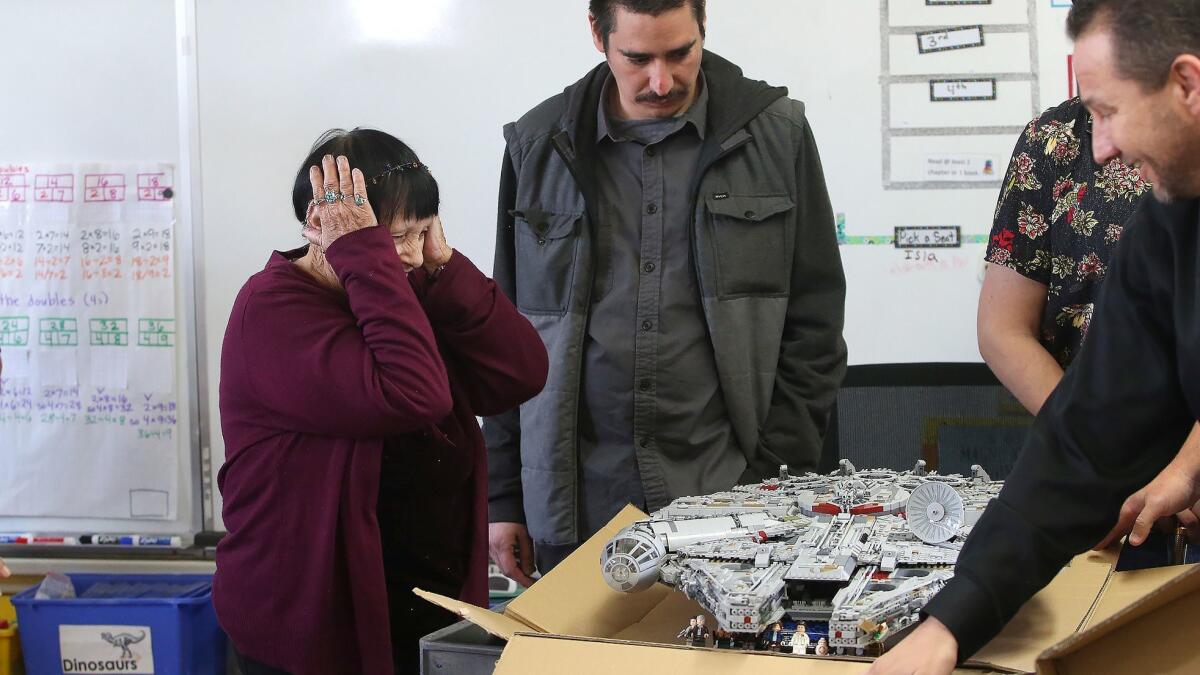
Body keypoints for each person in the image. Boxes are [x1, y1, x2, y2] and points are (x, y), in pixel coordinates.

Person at [870, 1, 1200, 673]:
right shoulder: (1166, 224)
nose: (1100, 147)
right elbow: (1086, 438)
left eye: (1108, 112)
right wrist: (947, 627)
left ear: (1187, 85)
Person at [485, 0, 847, 586]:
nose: (662, 81)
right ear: (598, 36)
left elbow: (816, 326)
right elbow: (503, 336)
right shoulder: (537, 145)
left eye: (681, 53)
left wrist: (775, 480)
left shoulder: (777, 136)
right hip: (575, 503)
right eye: (638, 58)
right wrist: (503, 494)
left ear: (704, 26)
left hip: (730, 496)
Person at [214, 129, 548, 675]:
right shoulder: (271, 310)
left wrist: (445, 267)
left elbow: (521, 372)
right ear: (319, 229)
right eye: (396, 239)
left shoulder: (405, 283)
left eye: (423, 233)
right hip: (318, 623)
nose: (414, 256)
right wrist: (364, 255)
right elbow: (411, 394)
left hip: (423, 601)